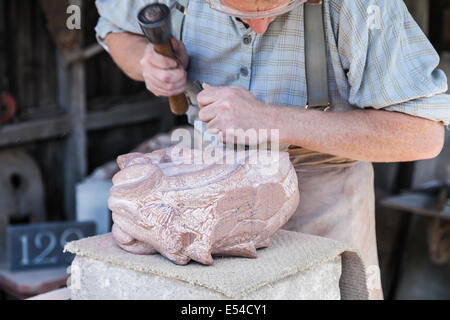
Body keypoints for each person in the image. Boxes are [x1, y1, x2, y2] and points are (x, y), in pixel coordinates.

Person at [95, 0, 450, 299]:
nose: (261, 26)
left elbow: (422, 134)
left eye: (280, 8)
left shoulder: (363, 7)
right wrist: (147, 61)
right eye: (239, 13)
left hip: (323, 202)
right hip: (205, 195)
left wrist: (270, 120)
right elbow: (114, 28)